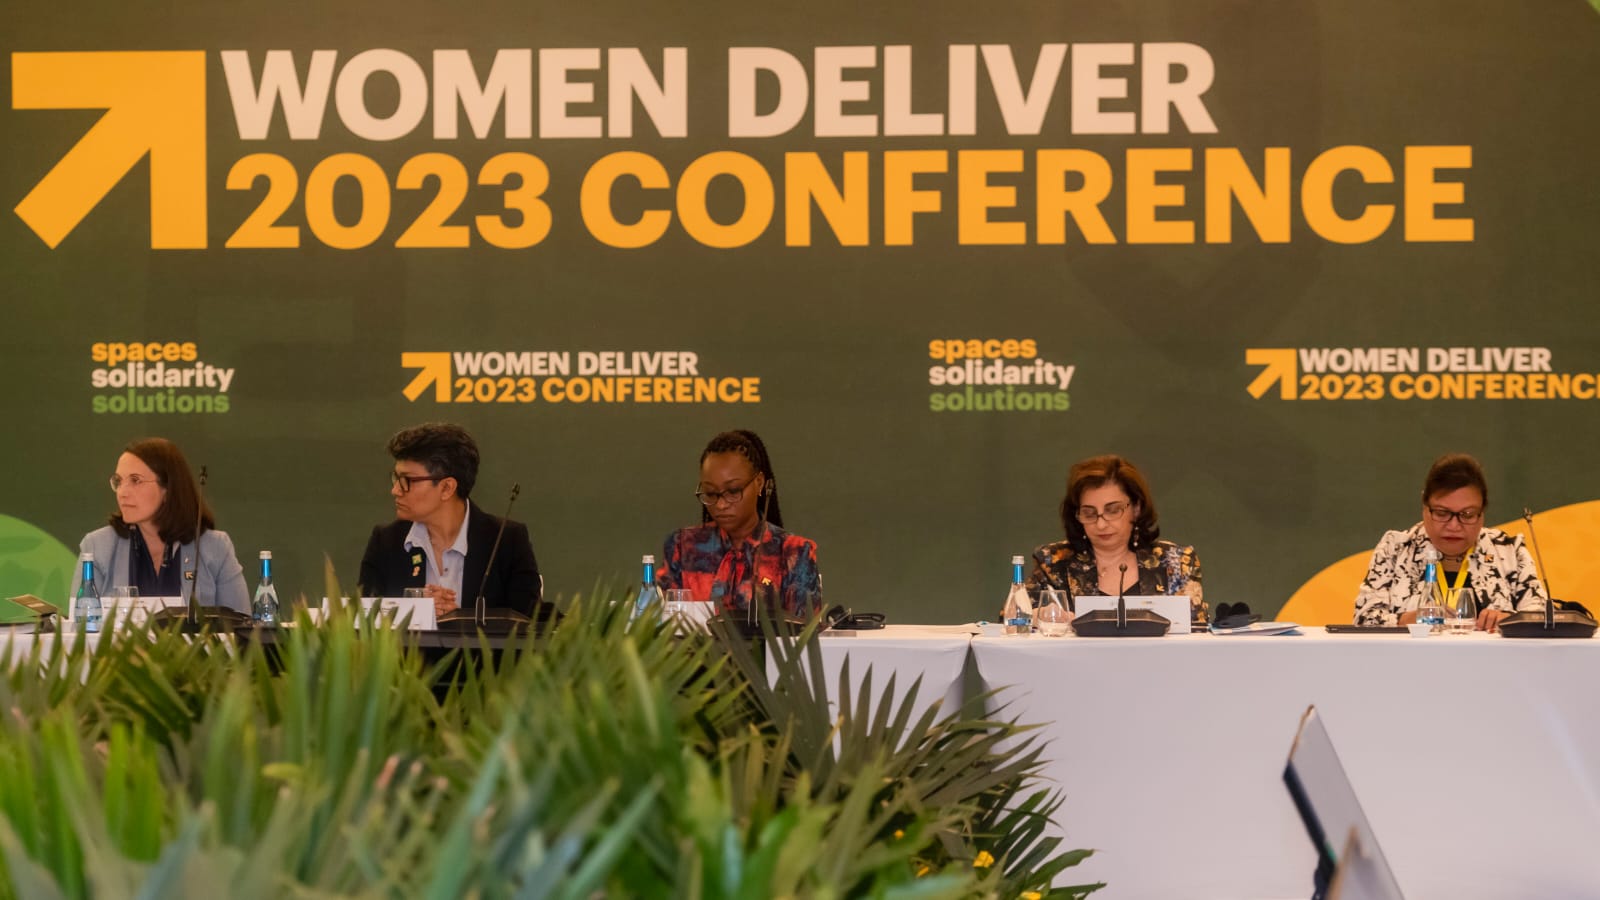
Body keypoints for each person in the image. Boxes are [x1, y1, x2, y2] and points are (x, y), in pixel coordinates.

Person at [359, 423, 541, 619]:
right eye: (396, 478)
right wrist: (414, 609)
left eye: (407, 481)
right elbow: (363, 621)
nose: (395, 490)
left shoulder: (506, 541)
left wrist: (459, 618)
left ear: (447, 488)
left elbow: (530, 625)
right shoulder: (386, 542)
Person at [1354, 453, 1546, 631]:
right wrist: (1409, 619)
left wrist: (1508, 619)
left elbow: (1542, 617)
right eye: (1442, 513)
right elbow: (1363, 620)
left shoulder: (1508, 550)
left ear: (1482, 513)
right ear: (1425, 507)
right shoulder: (1396, 548)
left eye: (1467, 514)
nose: (1454, 525)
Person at [70, 437, 250, 613]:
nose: (122, 492)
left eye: (135, 480)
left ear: (168, 488)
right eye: (118, 481)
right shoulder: (97, 547)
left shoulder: (215, 547)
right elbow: (80, 625)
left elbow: (242, 625)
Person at [657, 430, 822, 617]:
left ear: (759, 483)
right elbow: (662, 625)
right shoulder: (681, 547)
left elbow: (804, 631)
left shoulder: (794, 553)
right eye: (710, 494)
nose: (721, 504)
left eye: (733, 491)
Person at [1027, 454, 1205, 620]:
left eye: (1112, 511)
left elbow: (1198, 630)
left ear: (1136, 509)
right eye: (1089, 513)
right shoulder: (1052, 563)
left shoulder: (1176, 562)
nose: (1101, 524)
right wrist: (1035, 617)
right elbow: (1016, 622)